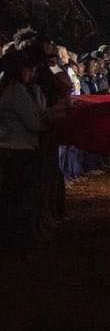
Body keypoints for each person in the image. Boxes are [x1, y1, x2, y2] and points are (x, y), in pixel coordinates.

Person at [0, 51, 48, 246]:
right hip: (19, 148)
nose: (32, 73)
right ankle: (18, 237)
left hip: (12, 147)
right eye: (29, 69)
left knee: (13, 195)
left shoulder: (10, 89)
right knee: (21, 195)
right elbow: (33, 123)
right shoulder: (16, 92)